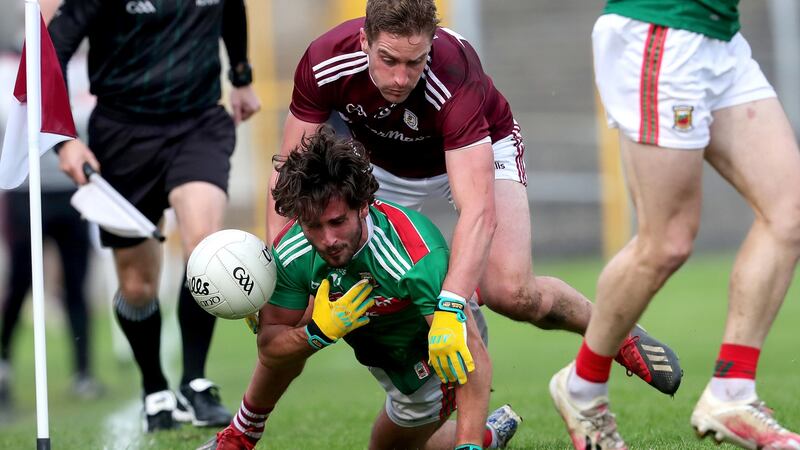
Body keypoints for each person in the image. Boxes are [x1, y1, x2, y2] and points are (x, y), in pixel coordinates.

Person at [268, 0, 681, 397]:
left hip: (475, 151)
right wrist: (271, 276)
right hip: (379, 171)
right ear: (364, 42)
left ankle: (614, 331)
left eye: (415, 62)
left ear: (431, 44)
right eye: (388, 60)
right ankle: (246, 428)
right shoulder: (324, 61)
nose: (399, 78)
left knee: (512, 292)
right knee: (297, 312)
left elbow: (477, 209)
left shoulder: (453, 72)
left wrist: (449, 306)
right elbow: (293, 174)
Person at [548, 1, 800, 449]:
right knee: (667, 242)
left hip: (718, 35)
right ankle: (583, 387)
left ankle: (732, 393)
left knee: (790, 212)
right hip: (663, 29)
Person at [203, 126, 521, 450]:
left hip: (426, 356)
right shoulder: (291, 253)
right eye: (313, 225)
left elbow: (470, 353)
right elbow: (270, 348)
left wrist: (468, 446)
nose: (327, 240)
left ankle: (484, 437)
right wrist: (316, 333)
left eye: (338, 222)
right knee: (292, 320)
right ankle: (239, 436)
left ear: (364, 206)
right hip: (378, 348)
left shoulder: (414, 255)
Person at [48, 0, 261, 432]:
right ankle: (154, 388)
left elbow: (232, 10)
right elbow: (49, 57)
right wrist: (64, 141)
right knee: (137, 286)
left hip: (198, 123)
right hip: (122, 134)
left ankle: (196, 381)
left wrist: (241, 77)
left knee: (206, 249)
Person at [0, 151, 103, 412]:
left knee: (76, 286)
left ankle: (83, 373)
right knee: (19, 285)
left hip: (73, 190)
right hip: (26, 190)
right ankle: (3, 365)